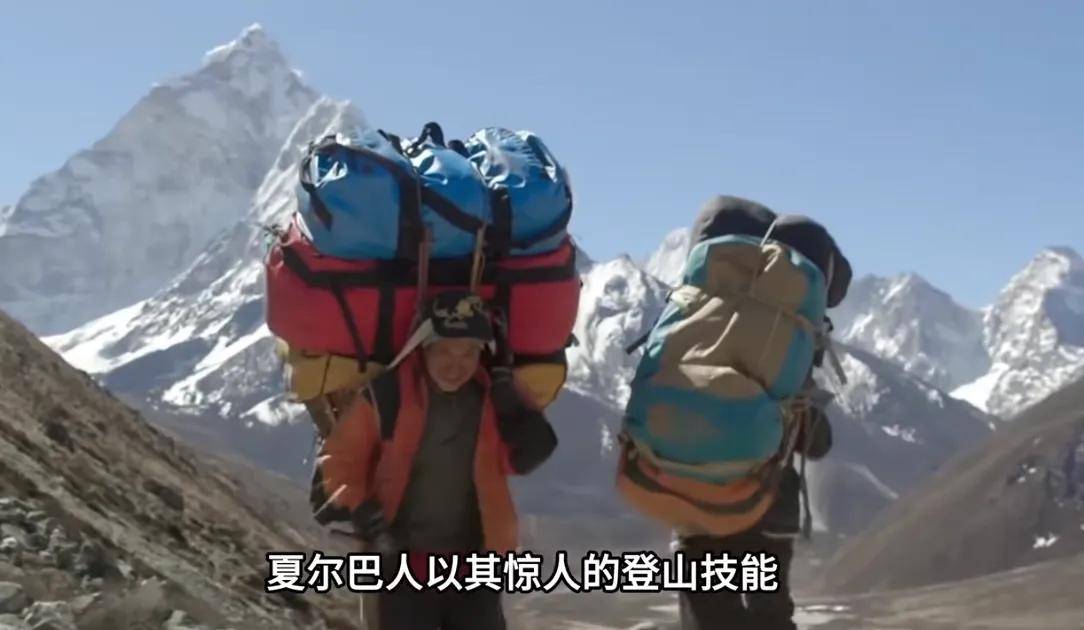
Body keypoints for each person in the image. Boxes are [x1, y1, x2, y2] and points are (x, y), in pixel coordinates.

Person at [310, 290, 558, 630]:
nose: (456, 365)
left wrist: (508, 396)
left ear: (481, 353)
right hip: (403, 568)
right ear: (424, 347)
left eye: (468, 352)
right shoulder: (388, 393)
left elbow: (532, 455)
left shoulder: (491, 395)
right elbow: (339, 460)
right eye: (445, 351)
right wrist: (363, 511)